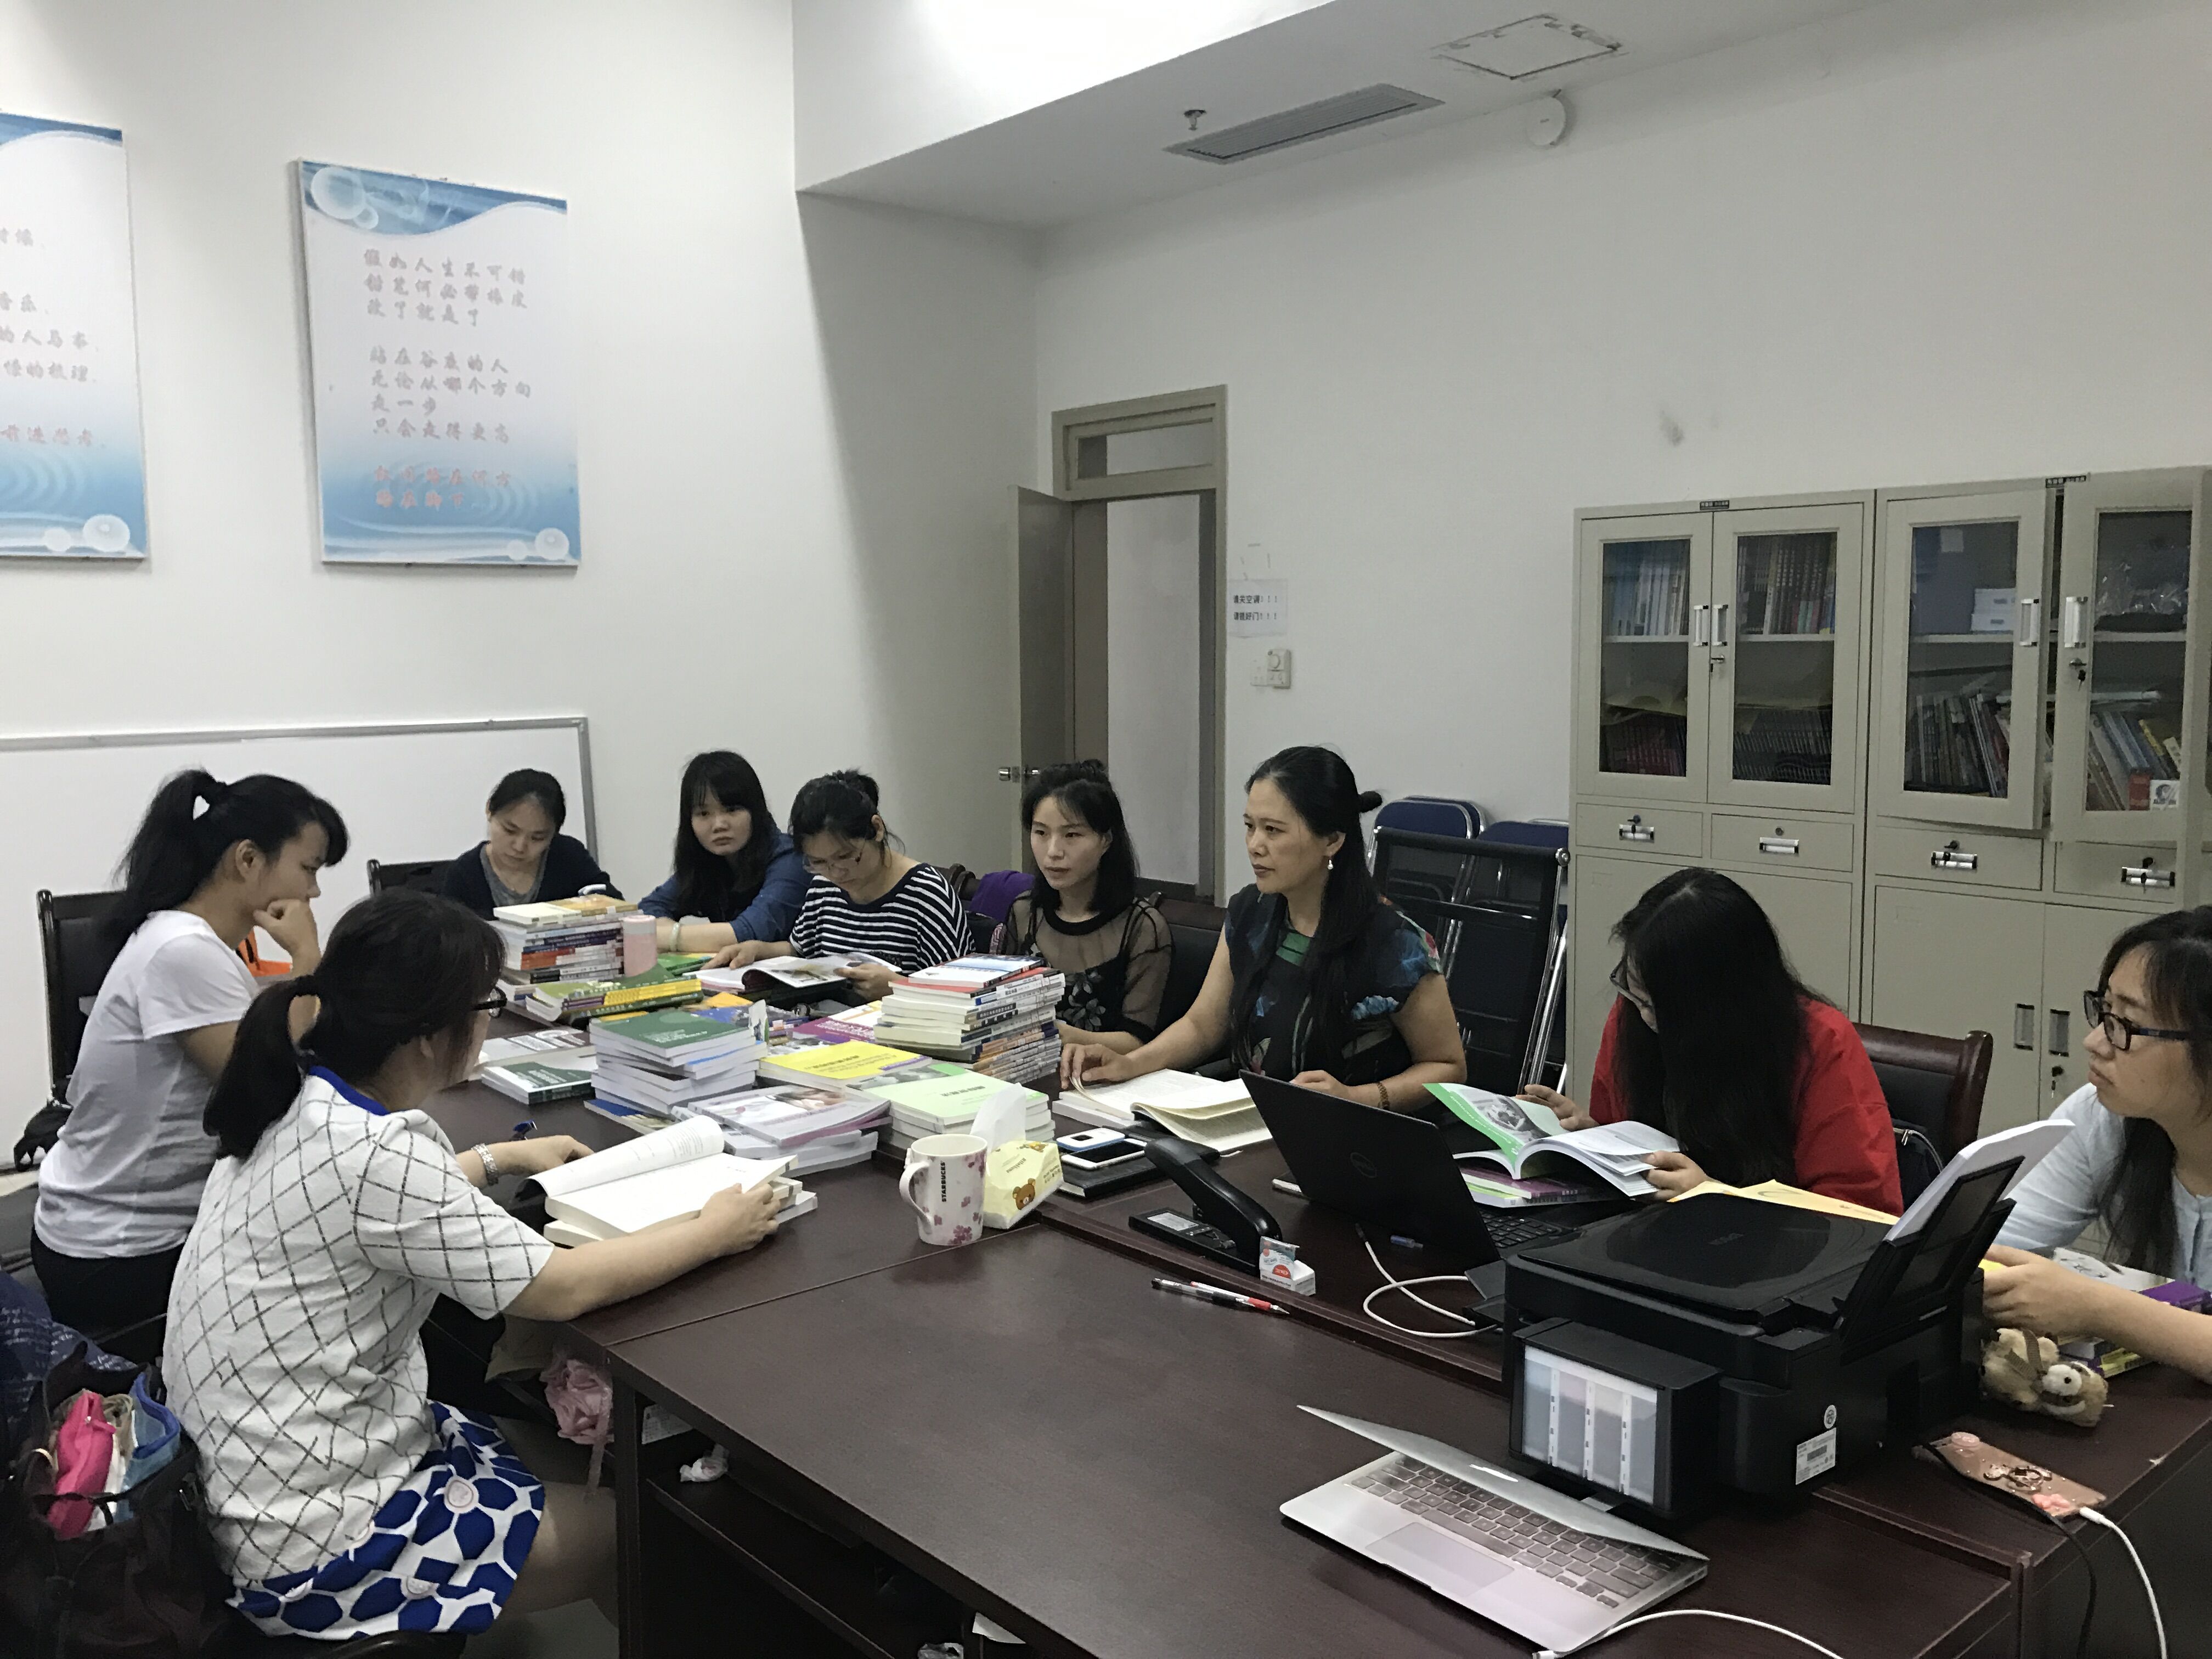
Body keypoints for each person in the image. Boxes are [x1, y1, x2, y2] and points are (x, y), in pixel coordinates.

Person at [166, 890, 781, 1639]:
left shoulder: (294, 1098)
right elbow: (561, 1287)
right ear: (431, 1036)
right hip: (312, 1548)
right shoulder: (377, 1156)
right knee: (640, 1529)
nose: (490, 1019)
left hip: (240, 1490)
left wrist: (498, 1158)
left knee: (574, 1464)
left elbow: (368, 1205)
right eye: (488, 1004)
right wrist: (714, 1230)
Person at [32, 771, 346, 1336]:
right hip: (119, 1254)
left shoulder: (190, 941)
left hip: (122, 1228)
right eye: (309, 868)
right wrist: (306, 955)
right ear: (248, 859)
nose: (314, 892)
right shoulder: (183, 950)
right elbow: (263, 1089)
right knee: (340, 1266)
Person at [1062, 747, 1465, 1105]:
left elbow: (1447, 1066)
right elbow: (1203, 1026)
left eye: (1273, 830)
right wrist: (1131, 1064)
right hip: (1252, 1122)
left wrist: (1354, 1098)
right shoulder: (1250, 912)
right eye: (1250, 826)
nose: (1255, 845)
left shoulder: (1396, 943)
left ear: (1332, 840)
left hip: (1351, 1138)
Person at [1519, 867, 1900, 1211]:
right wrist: (1589, 1139)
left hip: (1765, 1253)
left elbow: (1860, 1214)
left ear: (1723, 1004)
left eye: (1661, 1007)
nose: (1645, 1016)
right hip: (1644, 1238)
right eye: (1637, 994)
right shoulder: (1632, 1014)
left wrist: (1718, 1198)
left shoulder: (1820, 1044)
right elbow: (1627, 1143)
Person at [1982, 909, 2212, 1384]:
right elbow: (1993, 1247)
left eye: (2127, 1024)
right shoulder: (2103, 1117)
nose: (2094, 1042)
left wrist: (2097, 1307)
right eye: (2104, 1013)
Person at [704, 770, 966, 1002]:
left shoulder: (927, 893)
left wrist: (897, 987)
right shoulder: (824, 886)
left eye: (846, 856)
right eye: (818, 862)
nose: (836, 873)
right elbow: (802, 950)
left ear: (876, 829)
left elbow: (965, 995)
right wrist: (759, 950)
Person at [992, 763, 1170, 1055]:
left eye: (1072, 835)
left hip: (1107, 1075)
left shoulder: (1141, 927)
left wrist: (1063, 1035)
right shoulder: (1025, 913)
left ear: (1106, 840)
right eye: (1041, 832)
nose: (1053, 852)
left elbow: (1138, 1040)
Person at [636, 750, 807, 954]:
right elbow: (646, 910)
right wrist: (666, 933)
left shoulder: (790, 858)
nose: (719, 825)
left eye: (732, 810)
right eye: (704, 813)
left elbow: (750, 932)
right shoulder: (708, 860)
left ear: (756, 811)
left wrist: (668, 936)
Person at [440, 769, 617, 918]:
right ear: (489, 810)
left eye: (537, 838)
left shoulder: (568, 856)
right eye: (510, 830)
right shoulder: (465, 874)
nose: (520, 847)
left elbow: (614, 906)